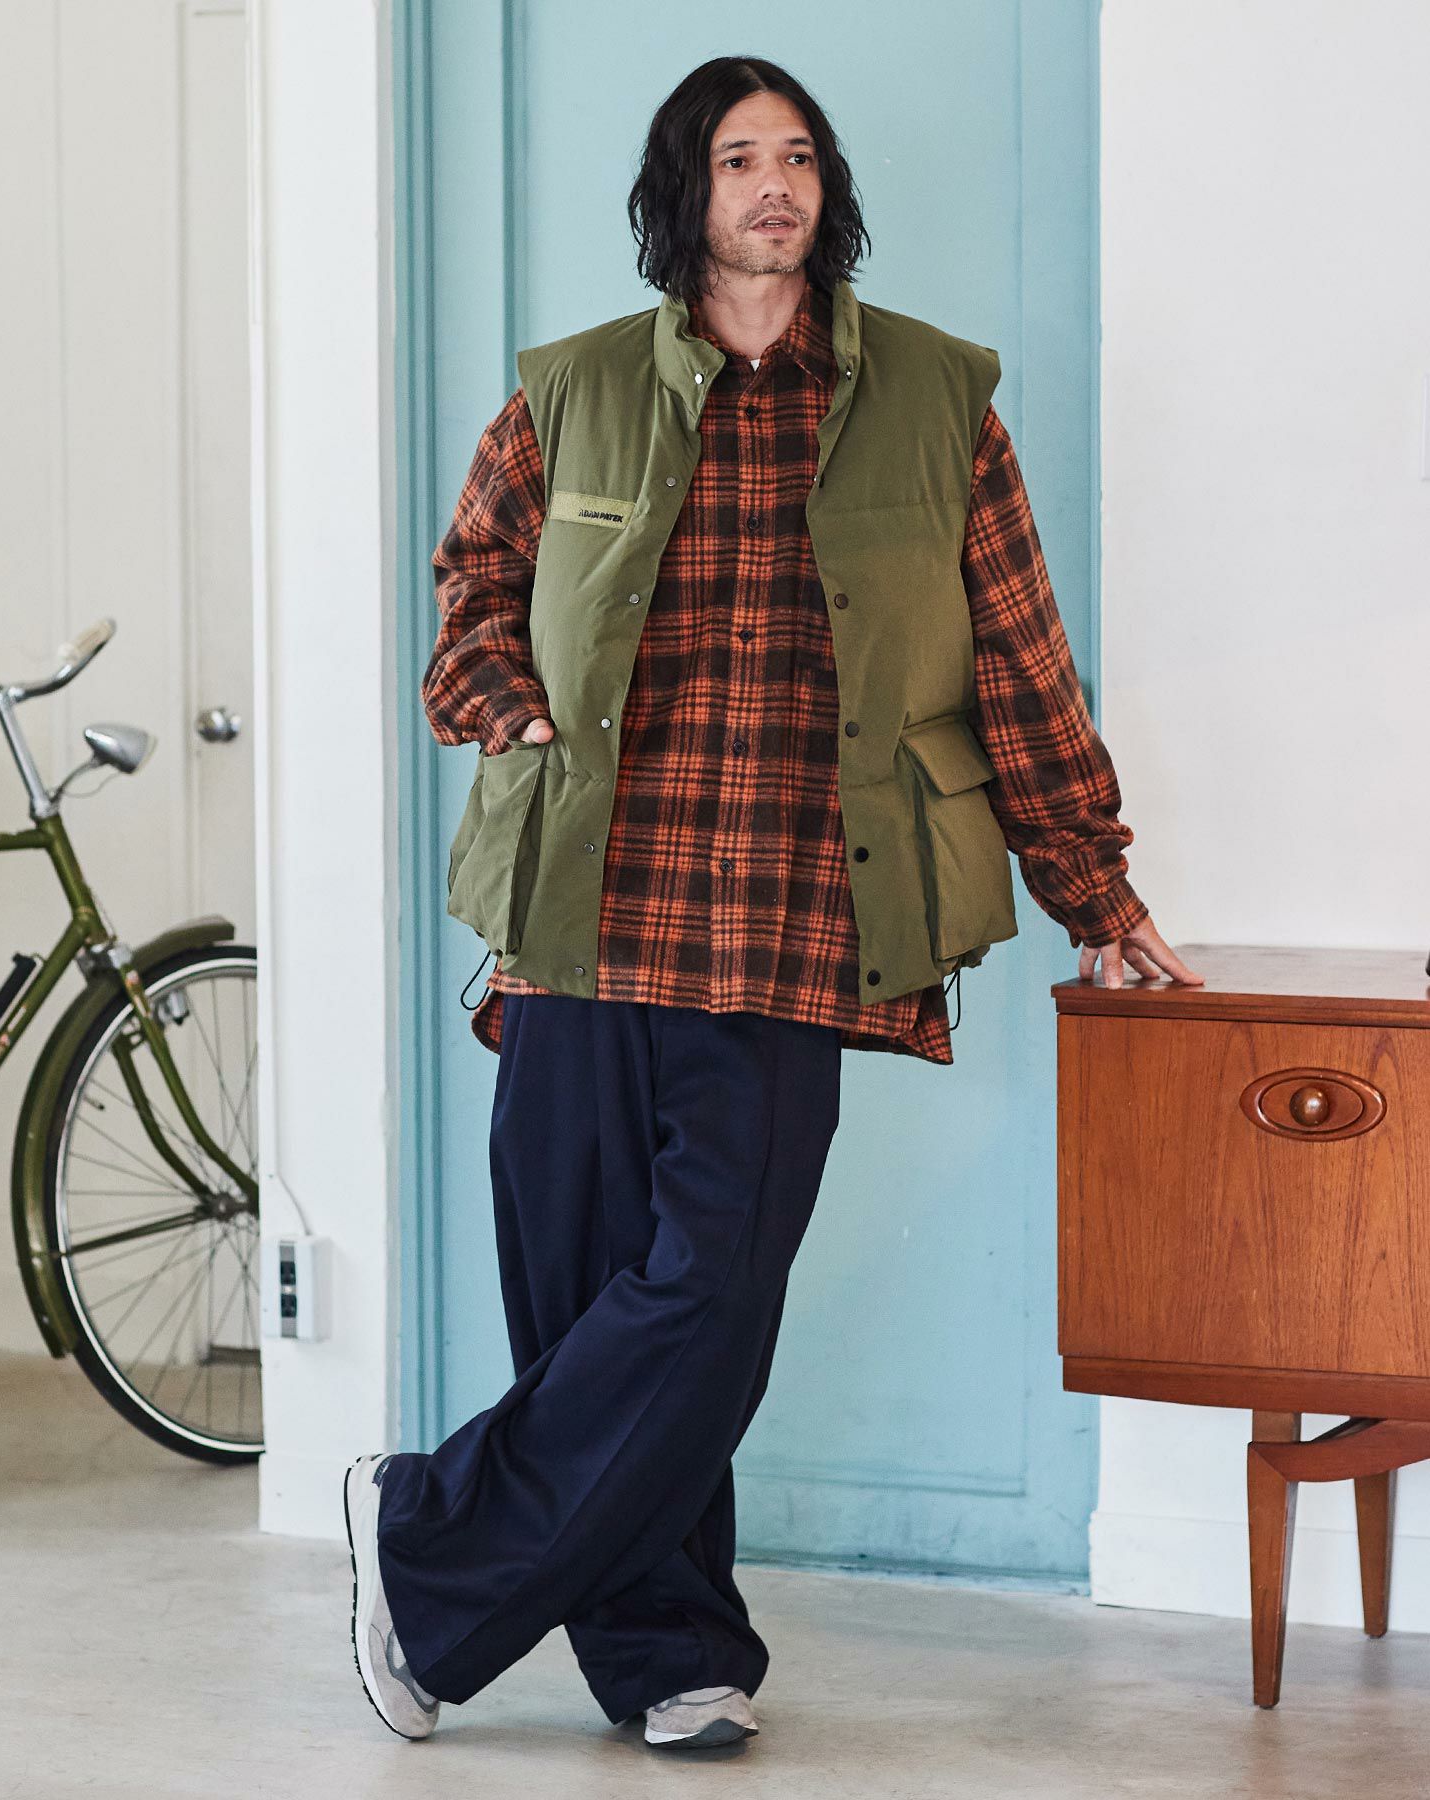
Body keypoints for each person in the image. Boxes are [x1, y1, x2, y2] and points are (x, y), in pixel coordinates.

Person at [343, 52, 1204, 1755]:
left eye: (798, 156)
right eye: (739, 157)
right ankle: (667, 1648)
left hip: (800, 923)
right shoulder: (571, 391)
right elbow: (472, 592)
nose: (775, 185)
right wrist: (503, 706)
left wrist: (1093, 887)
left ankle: (423, 1537)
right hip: (584, 911)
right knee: (586, 1302)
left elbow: (1021, 663)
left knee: (710, 1300)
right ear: (688, 191)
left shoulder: (938, 403)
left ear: (828, 190)